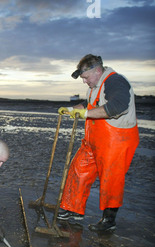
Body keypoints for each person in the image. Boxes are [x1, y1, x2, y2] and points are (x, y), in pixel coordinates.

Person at [57, 54, 139, 232]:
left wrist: (84, 114)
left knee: (111, 179)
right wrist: (71, 110)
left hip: (116, 140)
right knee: (78, 170)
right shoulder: (95, 86)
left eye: (85, 77)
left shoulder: (115, 81)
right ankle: (73, 210)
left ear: (97, 70)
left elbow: (117, 107)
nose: (84, 82)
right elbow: (89, 104)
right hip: (94, 140)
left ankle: (109, 221)